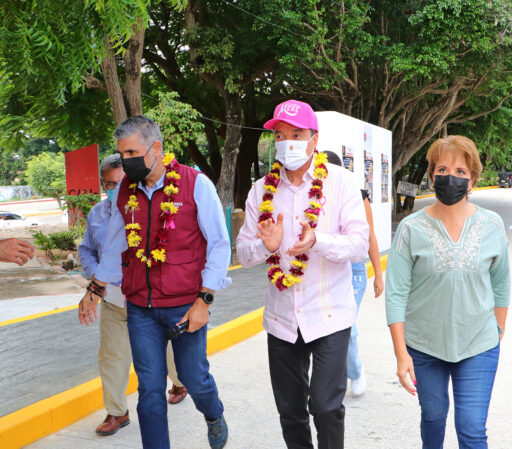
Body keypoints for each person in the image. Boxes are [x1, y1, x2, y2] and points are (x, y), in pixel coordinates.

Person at [78, 115, 231, 449]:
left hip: (184, 306)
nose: (127, 160)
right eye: (122, 154)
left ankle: (214, 413)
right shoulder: (123, 193)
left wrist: (204, 301)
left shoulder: (195, 185)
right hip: (140, 309)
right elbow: (116, 243)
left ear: (156, 148)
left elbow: (219, 245)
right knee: (149, 389)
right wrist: (95, 288)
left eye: (133, 152)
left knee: (194, 377)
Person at [236, 100, 369, 449]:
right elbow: (244, 253)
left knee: (325, 407)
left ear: (314, 139)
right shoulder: (260, 190)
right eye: (281, 135)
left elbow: (358, 244)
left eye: (297, 134)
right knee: (291, 411)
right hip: (282, 319)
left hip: (329, 315)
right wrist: (268, 246)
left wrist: (318, 240)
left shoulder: (340, 183)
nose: (288, 142)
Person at [386, 135, 511, 449]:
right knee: (433, 415)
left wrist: (497, 330)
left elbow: (501, 283)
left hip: (479, 345)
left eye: (460, 171)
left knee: (471, 429)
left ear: (473, 179)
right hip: (424, 346)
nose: (450, 177)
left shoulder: (492, 225)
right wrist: (402, 354)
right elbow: (396, 293)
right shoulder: (411, 228)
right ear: (431, 176)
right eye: (442, 169)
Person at [77, 154, 187, 437]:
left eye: (120, 182)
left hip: (152, 300)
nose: (115, 188)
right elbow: (87, 249)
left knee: (170, 353)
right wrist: (96, 275)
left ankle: (179, 382)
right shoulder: (97, 215)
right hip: (114, 301)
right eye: (109, 184)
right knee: (112, 357)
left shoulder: (151, 206)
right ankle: (117, 412)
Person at [323, 151, 384, 397]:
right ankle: (331, 377)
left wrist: (378, 274)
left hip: (354, 271)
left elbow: (370, 237)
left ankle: (356, 373)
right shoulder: (313, 197)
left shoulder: (358, 196)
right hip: (326, 268)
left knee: (348, 326)